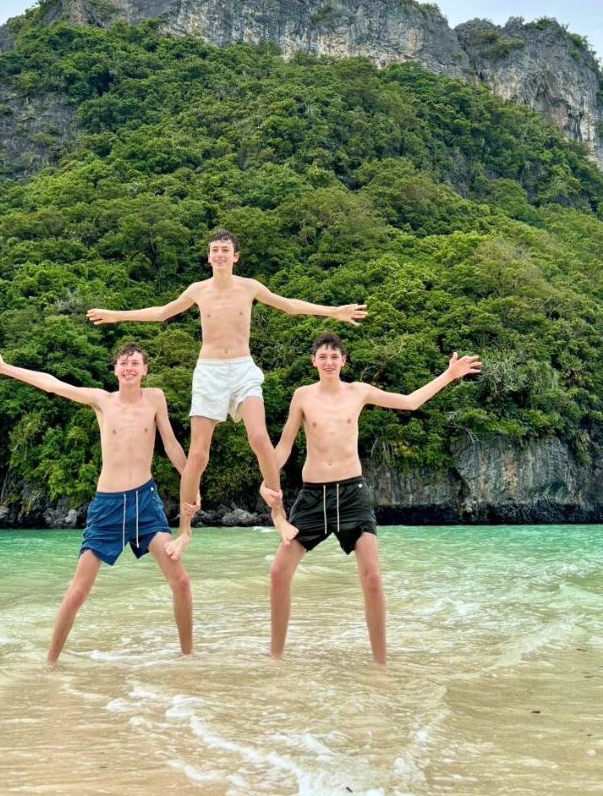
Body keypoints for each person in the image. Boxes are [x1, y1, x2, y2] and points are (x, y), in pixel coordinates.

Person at [87, 229, 367, 560]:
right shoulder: (198, 290)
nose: (219, 254)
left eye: (225, 249)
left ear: (235, 256)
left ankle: (277, 514)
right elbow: (163, 313)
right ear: (209, 257)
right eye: (214, 249)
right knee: (199, 456)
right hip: (209, 372)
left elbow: (289, 306)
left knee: (260, 439)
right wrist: (118, 315)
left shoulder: (249, 287)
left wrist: (334, 311)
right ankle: (185, 531)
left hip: (243, 368)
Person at [261, 332, 482, 664]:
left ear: (343, 361)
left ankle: (381, 664)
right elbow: (284, 447)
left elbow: (409, 401)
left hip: (353, 494)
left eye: (335, 356)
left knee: (373, 577)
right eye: (323, 356)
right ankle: (275, 658)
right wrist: (267, 480)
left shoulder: (358, 392)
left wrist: (449, 375)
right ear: (314, 362)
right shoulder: (302, 396)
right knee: (279, 572)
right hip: (313, 497)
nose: (329, 361)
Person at [0, 340, 193, 664]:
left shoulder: (155, 399)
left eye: (135, 363)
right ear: (115, 369)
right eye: (123, 362)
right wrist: (4, 368)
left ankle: (189, 658)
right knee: (78, 592)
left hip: (146, 502)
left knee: (182, 581)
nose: (129, 367)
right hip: (108, 506)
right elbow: (53, 384)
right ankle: (50, 662)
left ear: (145, 369)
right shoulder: (102, 400)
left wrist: (191, 481)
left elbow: (171, 445)